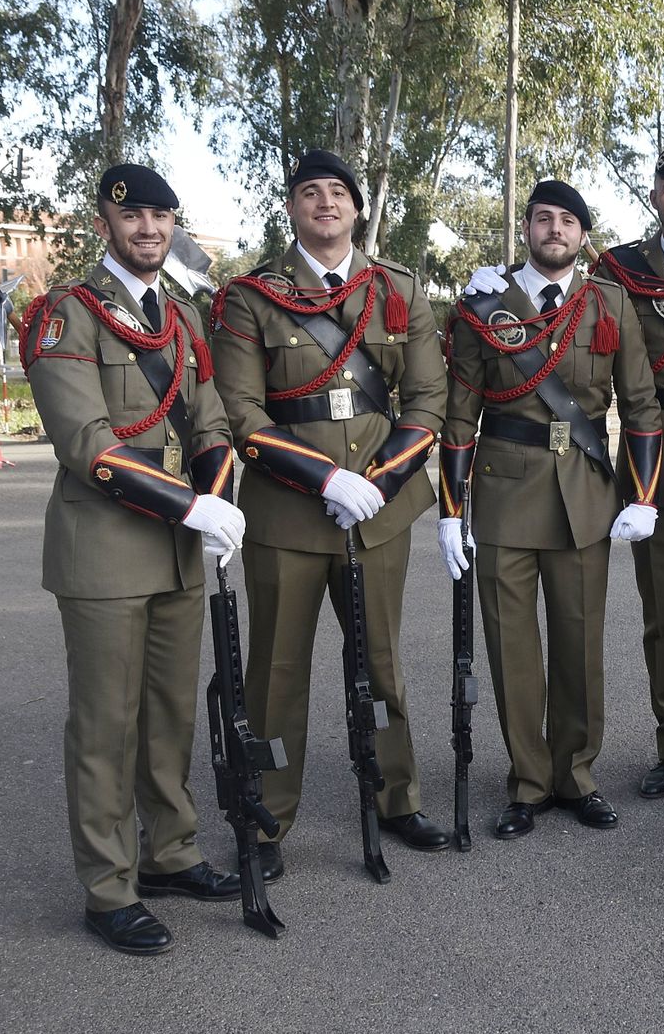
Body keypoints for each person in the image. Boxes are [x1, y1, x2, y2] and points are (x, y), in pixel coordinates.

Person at [466, 148, 664, 823]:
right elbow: (564, 323)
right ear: (655, 197)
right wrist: (493, 288)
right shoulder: (618, 271)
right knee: (662, 614)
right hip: (654, 464)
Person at [209, 148, 449, 880]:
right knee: (277, 671)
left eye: (337, 193)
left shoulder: (397, 290)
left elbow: (427, 400)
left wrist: (375, 480)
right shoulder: (250, 298)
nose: (324, 203)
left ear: (356, 209)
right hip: (287, 514)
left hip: (378, 510)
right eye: (309, 192)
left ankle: (395, 796)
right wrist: (326, 479)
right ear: (290, 208)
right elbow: (241, 413)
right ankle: (268, 814)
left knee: (380, 660)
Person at [24, 164, 246, 955]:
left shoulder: (183, 316)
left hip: (181, 553)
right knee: (105, 725)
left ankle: (172, 851)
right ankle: (108, 886)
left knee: (169, 715)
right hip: (106, 551)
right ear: (105, 223)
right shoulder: (68, 317)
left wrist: (219, 495)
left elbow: (211, 420)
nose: (148, 229)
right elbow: (87, 443)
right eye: (133, 217)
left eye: (161, 216)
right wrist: (193, 503)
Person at [440, 179, 663, 838]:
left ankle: (577, 775)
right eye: (543, 218)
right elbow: (460, 415)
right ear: (528, 228)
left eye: (568, 220)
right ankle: (529, 781)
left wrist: (643, 495)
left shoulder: (609, 303)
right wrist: (452, 509)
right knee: (512, 647)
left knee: (579, 643)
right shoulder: (486, 302)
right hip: (506, 491)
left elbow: (642, 406)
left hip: (584, 494)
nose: (555, 229)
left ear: (583, 235)